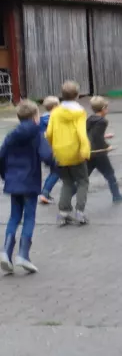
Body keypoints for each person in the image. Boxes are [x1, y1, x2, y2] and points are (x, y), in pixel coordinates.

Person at [0, 100, 54, 274]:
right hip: (30, 182)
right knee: (29, 217)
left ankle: (6, 252)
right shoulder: (37, 134)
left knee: (14, 216)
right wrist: (57, 166)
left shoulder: (11, 135)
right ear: (35, 117)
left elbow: (1, 156)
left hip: (13, 182)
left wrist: (4, 175)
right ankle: (23, 254)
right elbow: (46, 155)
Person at [46, 80, 91, 226]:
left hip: (60, 152)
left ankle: (63, 213)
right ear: (77, 95)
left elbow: (49, 133)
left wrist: (53, 148)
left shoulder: (55, 112)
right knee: (83, 181)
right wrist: (85, 150)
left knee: (67, 182)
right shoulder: (79, 112)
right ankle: (80, 212)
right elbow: (81, 133)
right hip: (75, 151)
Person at [87, 96, 122, 203]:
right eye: (107, 108)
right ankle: (116, 196)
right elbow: (96, 137)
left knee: (83, 178)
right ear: (103, 108)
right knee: (110, 174)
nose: (107, 110)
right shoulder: (102, 121)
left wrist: (104, 136)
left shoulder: (90, 119)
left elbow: (89, 135)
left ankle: (67, 197)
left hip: (89, 152)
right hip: (99, 153)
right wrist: (107, 146)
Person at [38, 96, 60, 205]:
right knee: (57, 171)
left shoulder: (41, 119)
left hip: (42, 150)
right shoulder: (56, 118)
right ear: (55, 106)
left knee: (54, 171)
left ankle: (45, 193)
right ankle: (45, 193)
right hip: (53, 150)